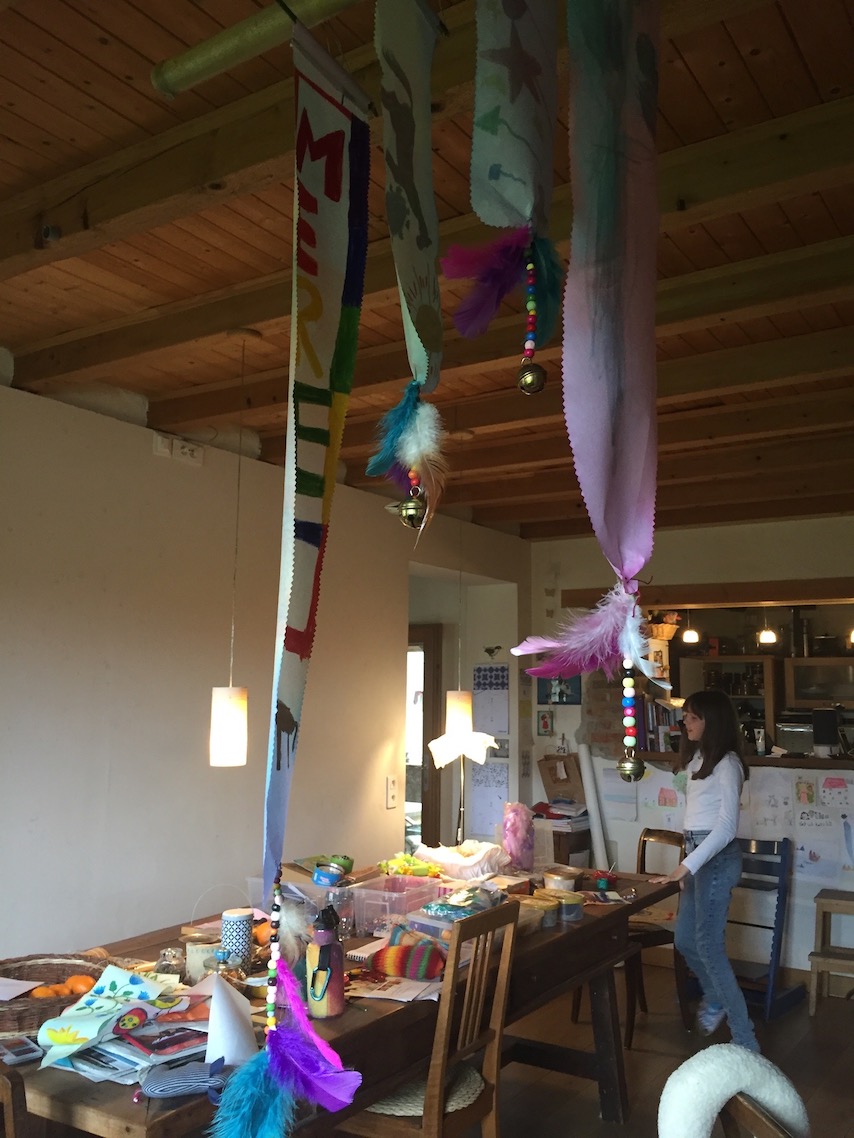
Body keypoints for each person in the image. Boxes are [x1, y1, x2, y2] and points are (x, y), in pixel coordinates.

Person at [650, 688, 759, 1052]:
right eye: (686, 717)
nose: (686, 723)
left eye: (693, 717)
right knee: (685, 940)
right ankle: (715, 996)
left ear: (713, 721)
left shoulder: (728, 764)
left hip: (717, 859)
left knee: (709, 947)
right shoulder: (697, 759)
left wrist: (685, 867)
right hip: (697, 855)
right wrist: (688, 861)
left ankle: (746, 1040)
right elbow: (694, 820)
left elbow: (725, 829)